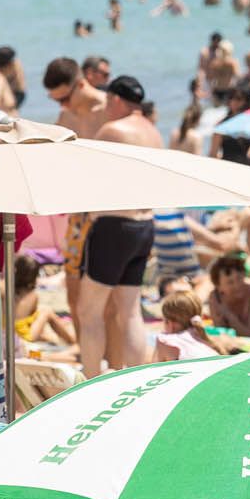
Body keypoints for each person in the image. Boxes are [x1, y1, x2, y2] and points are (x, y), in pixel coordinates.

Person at [80, 75, 163, 377]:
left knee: (89, 312)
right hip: (144, 225)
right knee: (130, 312)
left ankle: (88, 383)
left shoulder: (113, 130)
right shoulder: (153, 132)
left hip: (114, 225)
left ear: (116, 99)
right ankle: (140, 378)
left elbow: (89, 176)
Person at [207, 253, 250, 339]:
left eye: (239, 278)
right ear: (219, 287)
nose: (237, 285)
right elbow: (221, 333)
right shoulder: (215, 298)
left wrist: (228, 314)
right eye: (230, 282)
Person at [44, 56, 108, 138]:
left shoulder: (110, 109)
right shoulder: (65, 116)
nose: (62, 106)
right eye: (57, 100)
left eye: (64, 99)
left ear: (80, 85)